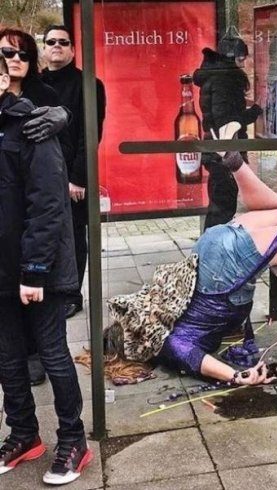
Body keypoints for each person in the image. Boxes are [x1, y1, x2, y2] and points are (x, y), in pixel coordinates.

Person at [100, 125, 277, 385]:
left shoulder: (159, 342)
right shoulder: (148, 314)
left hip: (222, 270)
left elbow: (194, 358)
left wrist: (237, 377)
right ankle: (234, 161)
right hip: (208, 250)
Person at [0, 54, 92, 485]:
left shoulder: (32, 125)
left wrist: (34, 271)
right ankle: (23, 435)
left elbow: (49, 204)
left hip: (39, 268)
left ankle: (73, 440)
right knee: (8, 357)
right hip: (2, 269)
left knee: (53, 353)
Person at [0, 27, 73, 386]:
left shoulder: (42, 96)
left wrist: (63, 115)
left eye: (23, 54)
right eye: (7, 53)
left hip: (37, 218)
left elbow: (47, 196)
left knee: (48, 339)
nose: (15, 60)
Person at [41, 24, 106, 320]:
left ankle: (71, 295)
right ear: (44, 48)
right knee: (44, 232)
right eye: (51, 41)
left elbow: (90, 135)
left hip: (71, 176)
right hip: (39, 174)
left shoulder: (89, 85)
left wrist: (78, 178)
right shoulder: (35, 83)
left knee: (73, 236)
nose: (57, 45)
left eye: (63, 42)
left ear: (73, 49)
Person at [193, 36, 262, 230]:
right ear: (231, 58)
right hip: (223, 153)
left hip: (217, 151)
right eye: (240, 59)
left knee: (220, 204)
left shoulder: (215, 76)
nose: (243, 65)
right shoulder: (225, 79)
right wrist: (255, 111)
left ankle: (211, 243)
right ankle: (213, 245)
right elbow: (227, 122)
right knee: (223, 207)